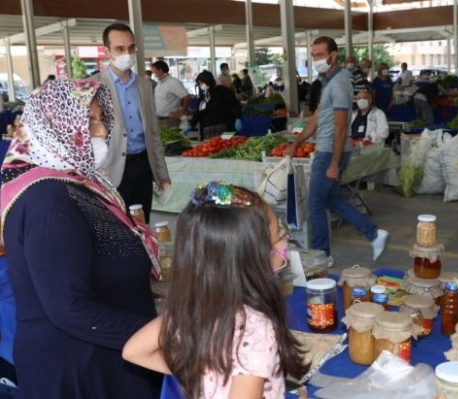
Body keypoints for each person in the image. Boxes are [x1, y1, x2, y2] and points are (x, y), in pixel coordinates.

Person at [0, 79, 162, 398]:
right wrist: (164, 336)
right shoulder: (49, 201)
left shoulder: (81, 184)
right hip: (80, 370)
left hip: (108, 356)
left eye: (101, 121)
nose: (102, 132)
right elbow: (69, 308)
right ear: (52, 127)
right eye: (89, 121)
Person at [122, 182, 309, 399]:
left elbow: (133, 350)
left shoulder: (193, 308)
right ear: (254, 256)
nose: (284, 242)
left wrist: (194, 372)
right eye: (280, 233)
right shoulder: (256, 329)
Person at [283, 36, 388, 262]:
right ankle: (374, 233)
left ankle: (323, 255)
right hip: (328, 150)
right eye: (313, 55)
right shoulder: (329, 83)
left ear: (333, 56)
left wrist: (333, 164)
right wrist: (295, 144)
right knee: (330, 200)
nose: (316, 59)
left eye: (320, 55)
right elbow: (315, 119)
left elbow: (341, 128)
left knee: (315, 203)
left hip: (331, 152)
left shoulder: (340, 83)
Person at [91, 23, 170, 223]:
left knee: (144, 226)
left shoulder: (144, 85)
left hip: (143, 166)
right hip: (111, 170)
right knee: (116, 227)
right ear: (106, 51)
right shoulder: (94, 86)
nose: (128, 53)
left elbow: (153, 133)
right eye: (120, 48)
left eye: (131, 47)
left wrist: (162, 174)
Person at [187, 70, 242, 141]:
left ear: (208, 81)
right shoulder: (203, 97)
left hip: (227, 128)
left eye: (201, 83)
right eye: (199, 83)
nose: (200, 85)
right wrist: (191, 125)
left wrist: (238, 117)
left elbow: (236, 104)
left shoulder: (223, 91)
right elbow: (198, 113)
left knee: (226, 146)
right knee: (210, 147)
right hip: (208, 130)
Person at [151, 60, 190, 130]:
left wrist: (182, 111)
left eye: (154, 71)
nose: (153, 73)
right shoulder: (159, 83)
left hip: (170, 120)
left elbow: (187, 97)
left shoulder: (173, 83)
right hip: (158, 120)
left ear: (160, 70)